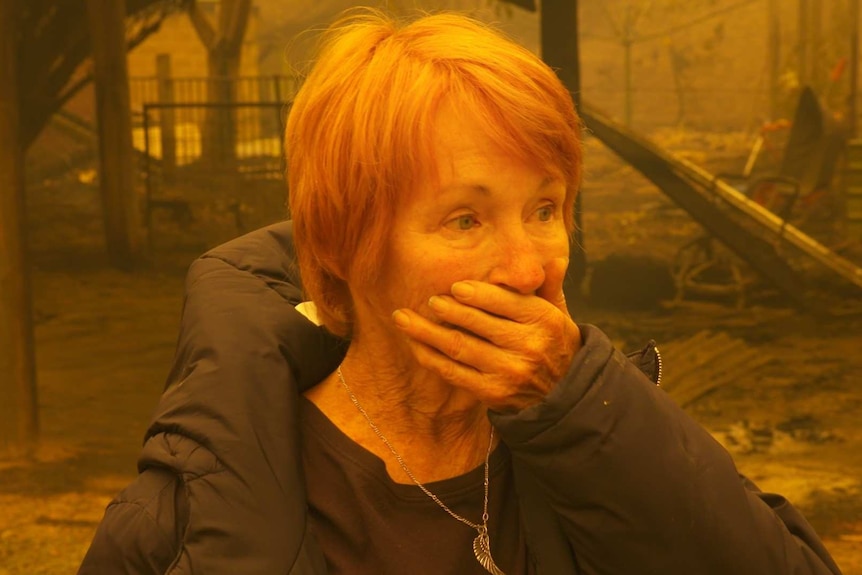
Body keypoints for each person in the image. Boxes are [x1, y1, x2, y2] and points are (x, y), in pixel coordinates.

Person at [78, 9, 843, 575]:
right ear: (348, 247)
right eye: (465, 218)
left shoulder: (614, 447)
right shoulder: (185, 516)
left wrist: (582, 412)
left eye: (545, 208)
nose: (527, 267)